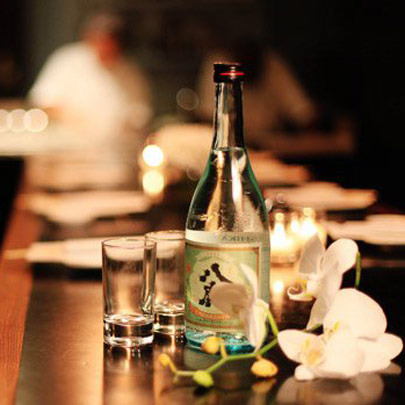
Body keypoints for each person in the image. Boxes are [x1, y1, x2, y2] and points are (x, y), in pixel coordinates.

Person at [29, 12, 152, 141]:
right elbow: (42, 100)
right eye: (99, 40)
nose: (104, 47)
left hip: (113, 146)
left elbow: (139, 113)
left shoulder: (130, 71)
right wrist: (70, 117)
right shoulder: (68, 60)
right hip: (67, 145)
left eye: (109, 42)